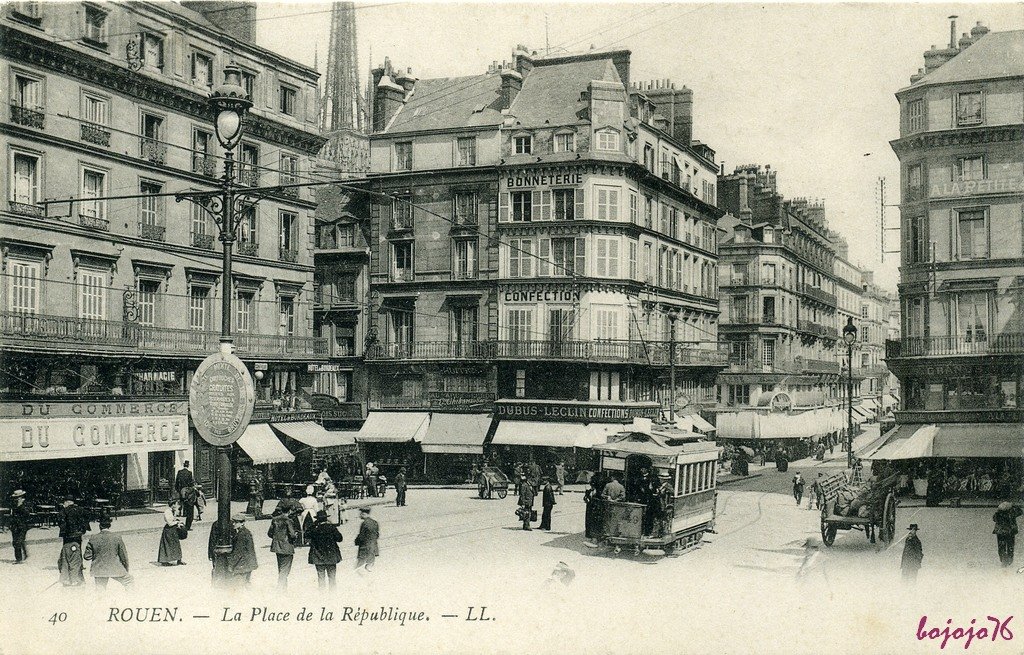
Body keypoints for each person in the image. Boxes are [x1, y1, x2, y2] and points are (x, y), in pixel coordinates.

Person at [84, 517, 133, 589]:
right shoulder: (117, 537)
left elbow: (87, 556)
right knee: (129, 581)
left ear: (99, 526)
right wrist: (126, 569)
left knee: (100, 590)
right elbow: (124, 556)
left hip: (99, 569)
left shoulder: (93, 538)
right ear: (109, 526)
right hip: (115, 568)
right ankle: (130, 599)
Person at [57, 495, 91, 587]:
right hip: (77, 536)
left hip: (67, 538)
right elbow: (88, 515)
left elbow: (60, 522)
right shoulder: (80, 509)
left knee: (66, 556)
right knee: (77, 555)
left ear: (67, 502)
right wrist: (83, 529)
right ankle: (78, 576)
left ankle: (68, 578)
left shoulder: (64, 511)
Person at [308, 509, 344, 589]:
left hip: (318, 556)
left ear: (317, 519)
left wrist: (314, 525)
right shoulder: (331, 527)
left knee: (321, 578)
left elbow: (306, 535)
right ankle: (332, 595)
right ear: (326, 518)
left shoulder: (314, 529)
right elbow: (340, 538)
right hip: (331, 555)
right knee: (332, 578)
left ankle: (322, 596)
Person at [268, 507, 297, 590]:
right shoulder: (288, 520)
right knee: (285, 569)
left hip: (277, 547)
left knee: (281, 568)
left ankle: (284, 588)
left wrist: (277, 538)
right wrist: (295, 536)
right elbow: (292, 535)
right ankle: (280, 588)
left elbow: (270, 533)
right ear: (289, 511)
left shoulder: (275, 519)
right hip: (287, 547)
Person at [227, 513, 258, 587]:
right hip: (247, 564)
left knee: (238, 587)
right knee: (246, 585)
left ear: (242, 523)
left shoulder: (242, 535)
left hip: (242, 565)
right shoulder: (245, 532)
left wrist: (231, 565)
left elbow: (238, 552)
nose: (234, 524)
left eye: (236, 522)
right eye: (233, 522)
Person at [992, 501, 1023, 567]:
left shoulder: (998, 513)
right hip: (1010, 531)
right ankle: (1010, 558)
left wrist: (998, 511)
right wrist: (1014, 506)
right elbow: (1020, 512)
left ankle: (1003, 558)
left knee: (1001, 546)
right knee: (1010, 545)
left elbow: (994, 519)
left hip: (1000, 532)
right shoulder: (1012, 513)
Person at [157, 499, 185, 566]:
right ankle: (165, 561)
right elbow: (169, 523)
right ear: (172, 505)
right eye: (175, 504)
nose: (176, 506)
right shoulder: (167, 512)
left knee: (176, 545)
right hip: (168, 530)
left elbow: (174, 519)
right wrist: (177, 522)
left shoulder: (173, 511)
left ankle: (179, 560)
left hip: (173, 530)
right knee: (167, 545)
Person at [354, 507, 380, 572]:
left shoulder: (364, 523)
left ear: (364, 514)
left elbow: (361, 537)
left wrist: (356, 541)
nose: (360, 515)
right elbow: (377, 535)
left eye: (361, 514)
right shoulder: (375, 522)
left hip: (365, 548)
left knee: (358, 568)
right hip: (373, 547)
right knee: (369, 567)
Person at [9, 490, 30, 564]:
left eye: (17, 497)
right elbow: (12, 516)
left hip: (22, 526)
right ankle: (23, 555)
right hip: (15, 526)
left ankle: (19, 559)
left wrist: (20, 506)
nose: (16, 499)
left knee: (18, 542)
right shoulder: (14, 506)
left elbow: (27, 515)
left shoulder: (25, 505)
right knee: (15, 542)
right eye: (15, 498)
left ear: (21, 497)